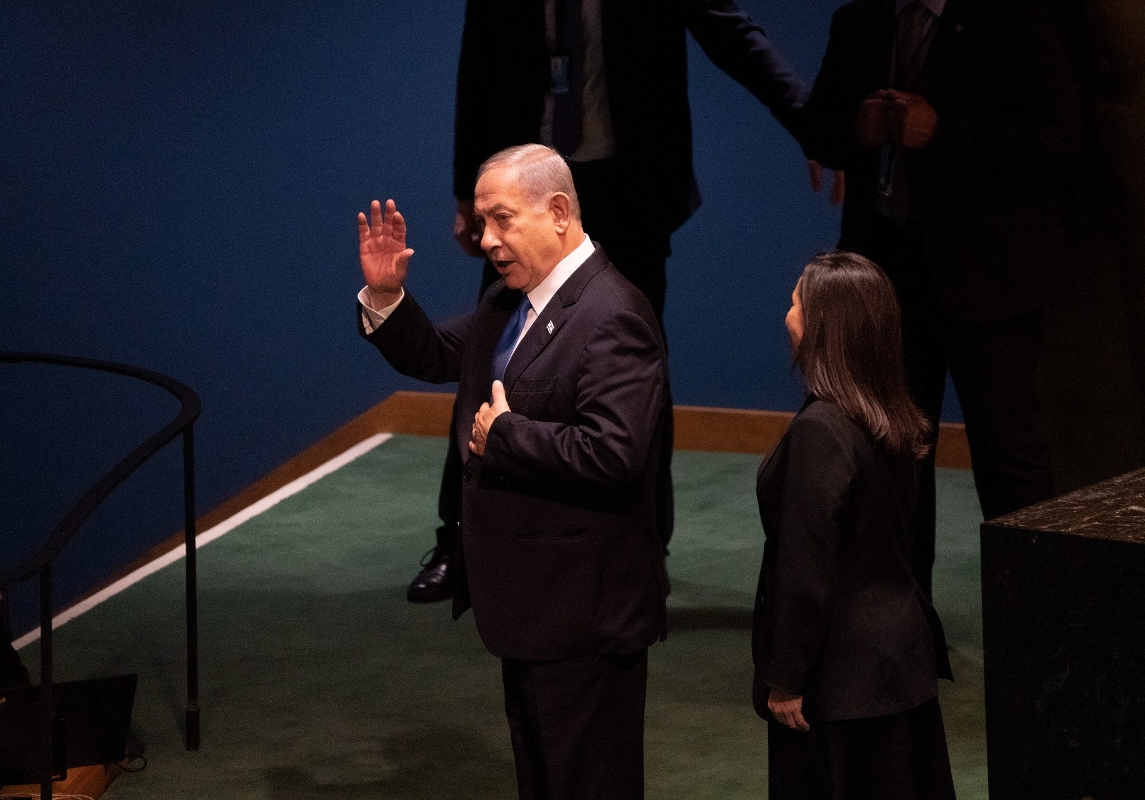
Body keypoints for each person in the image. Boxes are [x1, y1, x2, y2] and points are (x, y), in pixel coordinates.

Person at [406, 0, 845, 603]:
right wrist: (468, 193)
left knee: (638, 367)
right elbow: (477, 68)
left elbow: (733, 37)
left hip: (631, 187)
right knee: (492, 356)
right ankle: (459, 542)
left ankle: (644, 546)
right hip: (525, 193)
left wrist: (816, 126)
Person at [356, 145, 669, 798]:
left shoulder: (613, 314)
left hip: (583, 615)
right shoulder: (510, 302)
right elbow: (436, 353)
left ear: (557, 212)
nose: (486, 240)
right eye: (481, 223)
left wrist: (505, 437)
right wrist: (386, 295)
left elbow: (615, 454)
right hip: (533, 608)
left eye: (501, 219)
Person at [801, 0, 1082, 598]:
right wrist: (857, 129)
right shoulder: (860, 19)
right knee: (895, 462)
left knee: (1010, 463)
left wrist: (944, 132)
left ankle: (1035, 629)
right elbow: (818, 127)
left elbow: (1060, 138)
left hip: (992, 280)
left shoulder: (1015, 15)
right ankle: (905, 635)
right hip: (887, 281)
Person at [753, 252, 955, 799]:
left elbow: (806, 569)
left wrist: (786, 677)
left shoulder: (821, 430)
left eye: (796, 302)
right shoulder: (892, 416)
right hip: (898, 667)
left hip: (837, 686)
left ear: (823, 327)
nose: (787, 314)